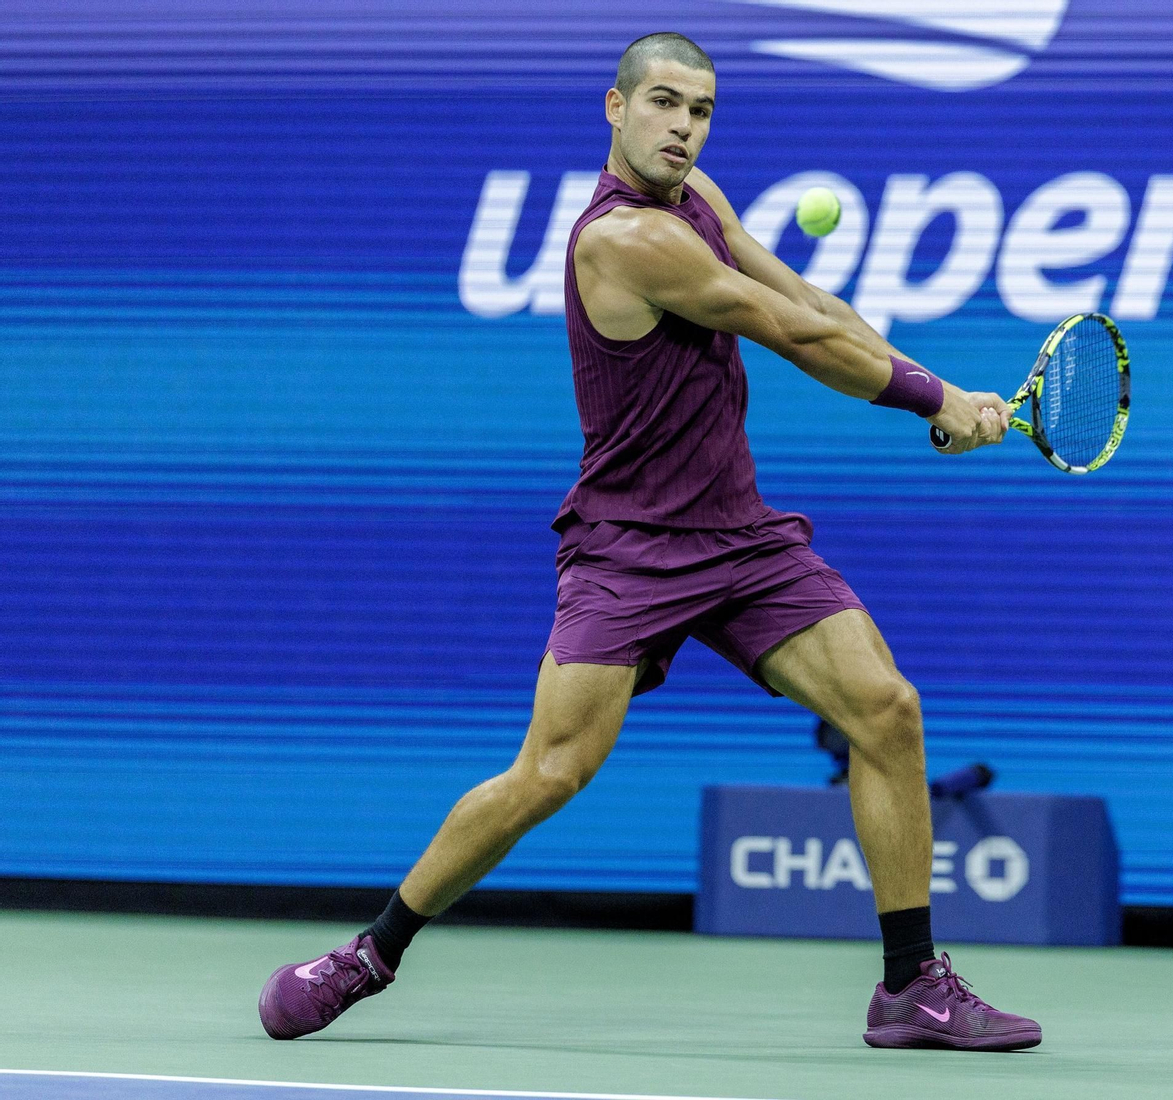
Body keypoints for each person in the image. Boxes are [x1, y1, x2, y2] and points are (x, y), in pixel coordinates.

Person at [259, 30, 1040, 1052]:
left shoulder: (697, 199)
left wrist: (944, 389)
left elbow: (811, 300)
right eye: (664, 102)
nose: (682, 125)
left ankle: (910, 987)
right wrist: (932, 399)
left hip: (739, 532)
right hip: (629, 548)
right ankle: (371, 951)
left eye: (701, 108)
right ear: (615, 107)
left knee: (886, 709)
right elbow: (793, 336)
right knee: (549, 772)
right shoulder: (625, 240)